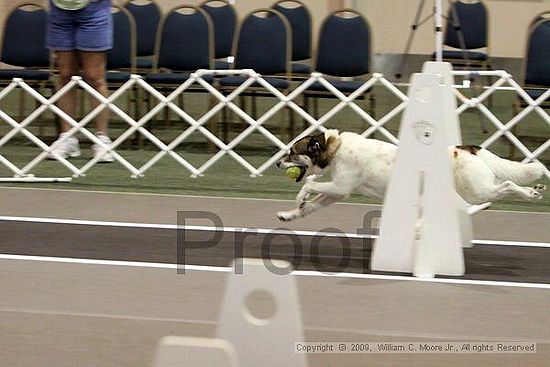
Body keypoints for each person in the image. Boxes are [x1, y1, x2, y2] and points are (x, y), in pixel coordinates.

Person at [47, 0, 114, 162]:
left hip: (94, 10)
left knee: (95, 76)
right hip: (60, 10)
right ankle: (67, 138)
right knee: (65, 75)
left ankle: (102, 140)